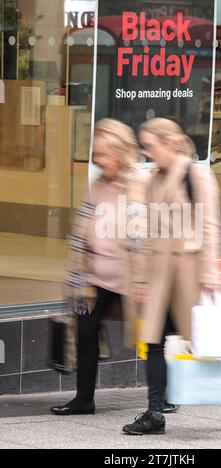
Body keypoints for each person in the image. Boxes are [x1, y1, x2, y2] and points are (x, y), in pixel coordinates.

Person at [122, 118, 221, 435]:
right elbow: (147, 230)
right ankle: (154, 414)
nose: (147, 153)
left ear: (169, 143)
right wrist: (141, 280)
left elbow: (210, 227)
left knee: (204, 345)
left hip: (190, 275)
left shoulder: (196, 174)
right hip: (161, 276)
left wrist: (210, 275)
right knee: (152, 342)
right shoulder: (152, 179)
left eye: (150, 146)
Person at [50, 118, 147, 415]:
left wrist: (144, 280)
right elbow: (82, 227)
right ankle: (84, 399)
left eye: (104, 155)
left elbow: (141, 234)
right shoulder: (97, 184)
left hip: (131, 280)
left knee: (151, 337)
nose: (98, 160)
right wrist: (76, 276)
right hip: (96, 279)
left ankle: (165, 396)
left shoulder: (137, 185)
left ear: (120, 153)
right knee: (85, 330)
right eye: (96, 154)